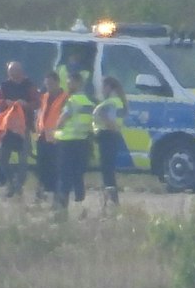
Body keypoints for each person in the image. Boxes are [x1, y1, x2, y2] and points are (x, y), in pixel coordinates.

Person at [0, 60, 40, 196]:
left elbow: (37, 102)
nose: (13, 74)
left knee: (23, 160)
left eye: (15, 71)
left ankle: (19, 186)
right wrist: (5, 102)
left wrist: (26, 104)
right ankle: (11, 182)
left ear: (21, 71)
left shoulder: (29, 85)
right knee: (2, 159)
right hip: (8, 127)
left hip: (24, 128)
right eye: (10, 71)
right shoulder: (4, 86)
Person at [52, 70, 97, 212]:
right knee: (78, 174)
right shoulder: (89, 102)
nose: (68, 86)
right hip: (82, 141)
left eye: (70, 83)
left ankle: (61, 206)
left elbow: (63, 119)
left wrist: (56, 129)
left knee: (64, 175)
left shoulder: (73, 100)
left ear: (78, 83)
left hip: (67, 141)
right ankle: (80, 203)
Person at [91, 74, 128, 206]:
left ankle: (112, 201)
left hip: (107, 136)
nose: (101, 90)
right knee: (108, 170)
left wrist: (102, 117)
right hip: (110, 137)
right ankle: (111, 199)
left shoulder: (110, 102)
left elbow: (110, 121)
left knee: (107, 170)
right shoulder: (117, 101)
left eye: (102, 87)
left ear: (108, 87)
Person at [35, 70, 67, 204]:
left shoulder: (65, 97)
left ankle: (56, 198)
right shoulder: (45, 96)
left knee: (56, 170)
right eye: (47, 84)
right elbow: (41, 114)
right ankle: (41, 195)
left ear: (58, 83)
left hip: (56, 138)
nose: (49, 87)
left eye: (51, 84)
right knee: (42, 169)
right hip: (42, 137)